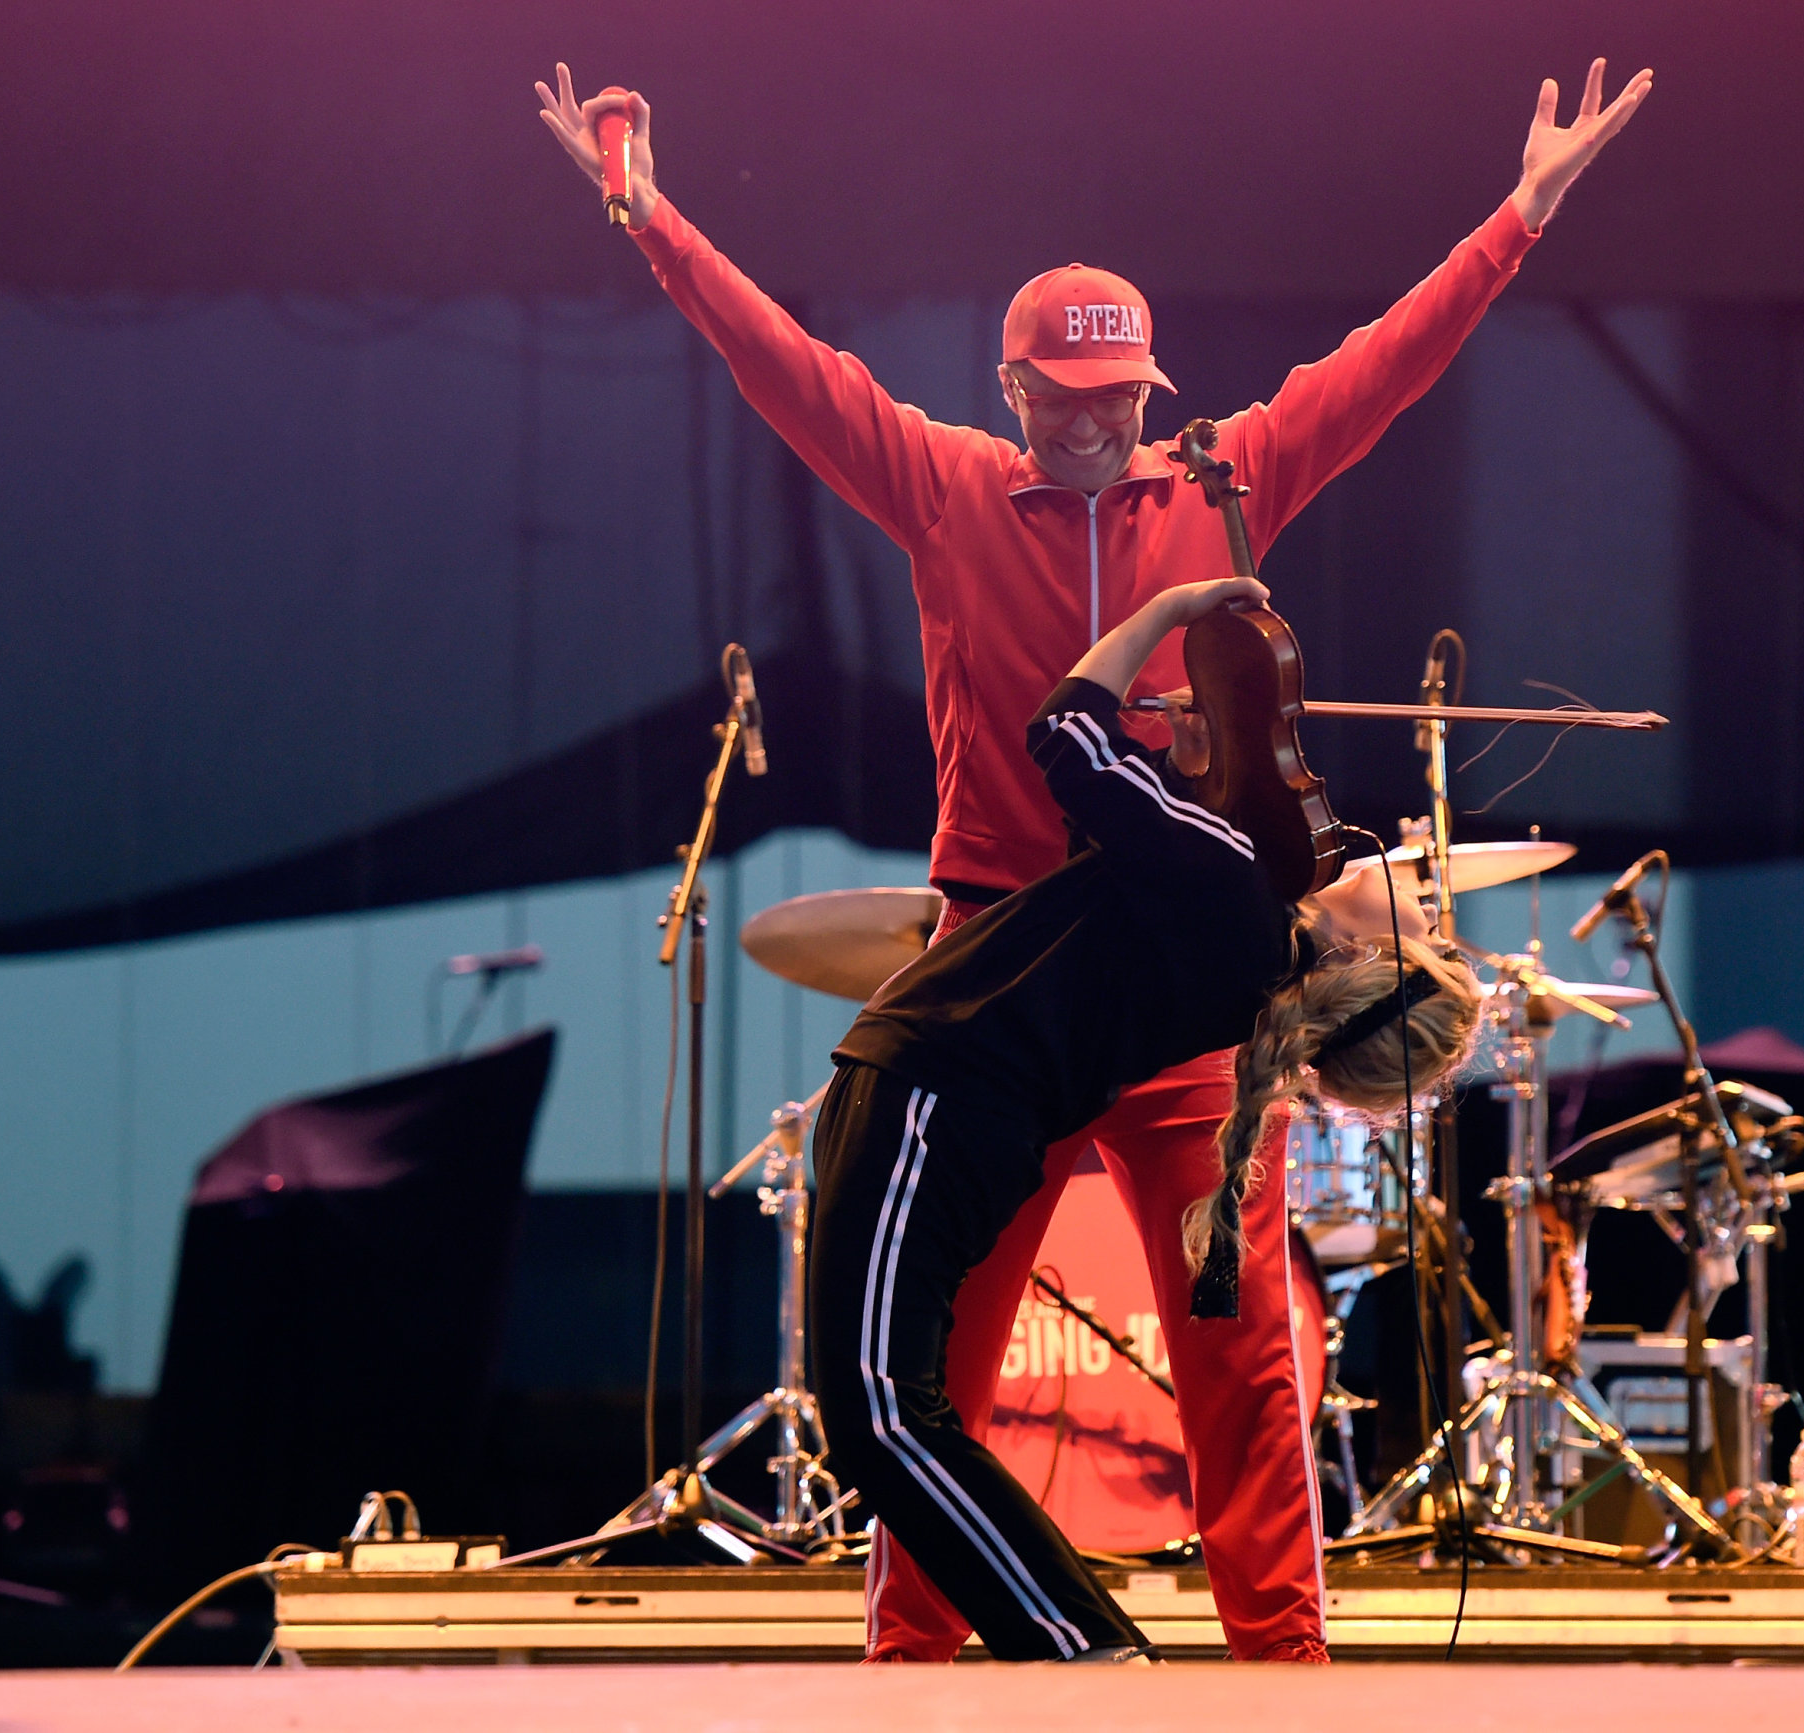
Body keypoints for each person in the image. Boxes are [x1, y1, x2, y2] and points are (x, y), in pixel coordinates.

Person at [537, 54, 1648, 1663]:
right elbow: (778, 363)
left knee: (1243, 1355)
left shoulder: (1225, 479)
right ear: (1011, 394)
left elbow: (1380, 370)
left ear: (1151, 387)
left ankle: (1286, 1673)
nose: (1097, 430)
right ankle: (913, 1668)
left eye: (1122, 401)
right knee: (939, 1358)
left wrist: (1522, 215)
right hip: (998, 981)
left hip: (1185, 998)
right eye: (1066, 406)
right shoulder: (938, 484)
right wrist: (648, 215)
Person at [809, 576, 1484, 1662]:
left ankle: (1088, 1650)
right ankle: (1084, 1647)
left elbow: (1063, 730)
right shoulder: (1239, 951)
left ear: (1372, 964)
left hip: (933, 1092)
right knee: (885, 1407)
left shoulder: (1225, 885)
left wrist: (1165, 613)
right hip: (951, 1108)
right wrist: (1197, 754)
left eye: (1410, 933)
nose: (1404, 902)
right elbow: (1107, 849)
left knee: (882, 1410)